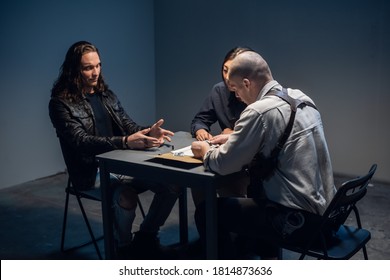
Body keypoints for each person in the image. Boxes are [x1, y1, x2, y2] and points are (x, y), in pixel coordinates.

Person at [191, 50, 337, 259]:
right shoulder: (301, 98)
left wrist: (205, 151)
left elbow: (223, 164)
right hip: (328, 216)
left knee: (207, 211)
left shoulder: (258, 111)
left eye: (236, 89)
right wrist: (236, 140)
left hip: (296, 223)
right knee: (255, 197)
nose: (236, 96)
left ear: (247, 83)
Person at [49, 41, 178, 259]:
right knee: (126, 196)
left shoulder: (106, 95)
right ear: (74, 70)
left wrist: (148, 132)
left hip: (123, 164)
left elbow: (128, 127)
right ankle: (124, 249)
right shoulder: (60, 104)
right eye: (88, 68)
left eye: (98, 65)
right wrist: (126, 141)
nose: (95, 72)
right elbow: (81, 142)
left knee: (173, 184)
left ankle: (146, 237)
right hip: (90, 173)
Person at [190, 47, 252, 207]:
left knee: (232, 189)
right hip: (222, 156)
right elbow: (200, 119)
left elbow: (256, 137)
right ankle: (208, 228)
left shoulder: (255, 94)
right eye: (225, 70)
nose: (227, 76)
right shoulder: (219, 91)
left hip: (248, 164)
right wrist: (201, 129)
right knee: (197, 182)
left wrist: (234, 134)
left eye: (232, 71)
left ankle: (229, 228)